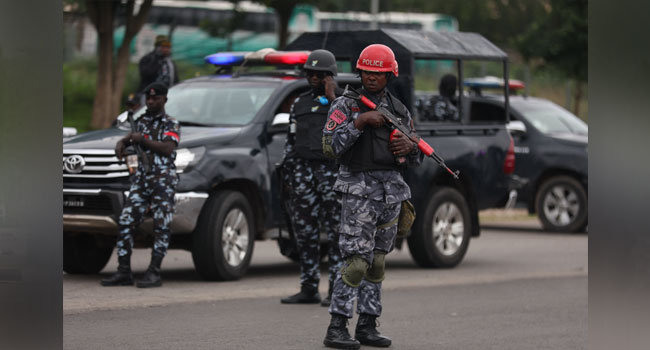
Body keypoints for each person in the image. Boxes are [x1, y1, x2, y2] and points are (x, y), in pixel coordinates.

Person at [321, 44, 422, 349]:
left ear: (389, 74)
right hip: (358, 193)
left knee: (377, 262)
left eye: (378, 72)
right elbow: (329, 147)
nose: (372, 77)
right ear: (360, 71)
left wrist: (410, 147)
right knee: (355, 262)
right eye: (367, 71)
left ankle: (367, 324)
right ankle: (337, 326)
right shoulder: (344, 105)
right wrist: (360, 122)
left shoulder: (399, 109)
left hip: (389, 193)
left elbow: (414, 153)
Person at [101, 82, 181, 288]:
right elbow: (131, 138)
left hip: (163, 180)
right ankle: (123, 272)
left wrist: (142, 140)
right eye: (149, 98)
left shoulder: (170, 123)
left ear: (165, 100)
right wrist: (122, 143)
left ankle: (154, 272)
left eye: (156, 98)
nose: (151, 101)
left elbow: (167, 148)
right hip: (142, 180)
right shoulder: (142, 120)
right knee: (126, 221)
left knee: (161, 226)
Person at [280, 49, 343, 307]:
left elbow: (348, 130)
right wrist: (289, 171)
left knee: (338, 234)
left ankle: (337, 290)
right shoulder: (300, 103)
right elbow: (291, 140)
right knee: (305, 233)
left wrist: (332, 96)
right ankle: (309, 287)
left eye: (319, 74)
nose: (313, 77)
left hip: (332, 174)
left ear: (329, 76)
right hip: (304, 174)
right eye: (310, 73)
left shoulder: (342, 101)